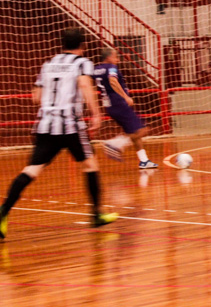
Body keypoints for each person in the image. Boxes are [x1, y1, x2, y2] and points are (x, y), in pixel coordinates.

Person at [0, 28, 118, 239]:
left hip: (46, 125)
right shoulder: (82, 63)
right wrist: (96, 113)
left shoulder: (48, 64)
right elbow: (84, 85)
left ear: (62, 44)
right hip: (70, 125)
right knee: (90, 165)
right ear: (83, 46)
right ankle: (97, 214)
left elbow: (36, 97)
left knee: (32, 170)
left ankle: (3, 211)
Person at [94, 48, 157, 168]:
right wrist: (125, 97)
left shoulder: (96, 70)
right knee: (142, 130)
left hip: (109, 105)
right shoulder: (111, 68)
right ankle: (115, 144)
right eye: (115, 57)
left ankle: (144, 161)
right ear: (108, 57)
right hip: (119, 103)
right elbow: (113, 81)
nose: (117, 60)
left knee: (132, 132)